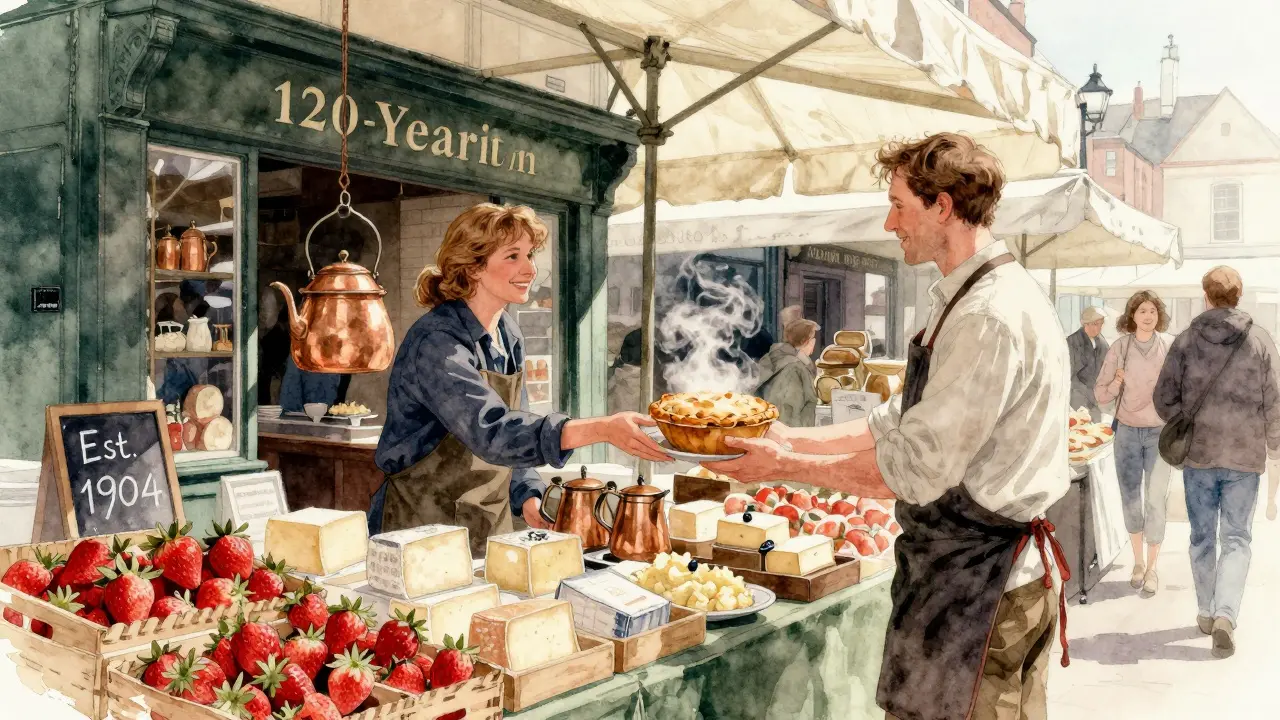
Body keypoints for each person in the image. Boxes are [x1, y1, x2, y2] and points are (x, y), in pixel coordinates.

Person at [706, 133, 1070, 720]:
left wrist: (784, 468)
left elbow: (916, 468)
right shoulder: (965, 297)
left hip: (981, 594)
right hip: (961, 583)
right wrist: (789, 438)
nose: (888, 222)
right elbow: (894, 423)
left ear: (943, 207)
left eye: (900, 205)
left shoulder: (987, 316)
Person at [372, 204, 670, 554]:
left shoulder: (508, 333)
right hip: (420, 528)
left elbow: (520, 421)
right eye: (513, 256)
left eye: (529, 255)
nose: (530, 269)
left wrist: (527, 493)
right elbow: (493, 431)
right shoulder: (437, 342)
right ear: (473, 267)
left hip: (488, 524)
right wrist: (603, 429)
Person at [1153, 265, 1280, 659]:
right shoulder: (1260, 339)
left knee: (1201, 537)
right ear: (1239, 296)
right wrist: (1274, 445)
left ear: (1205, 296)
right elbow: (1275, 400)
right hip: (1245, 455)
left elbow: (1162, 398)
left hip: (1199, 455)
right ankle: (1226, 613)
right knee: (1238, 538)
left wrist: (1187, 419)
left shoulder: (1187, 340)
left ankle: (1207, 610)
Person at [1093, 291, 1173, 596]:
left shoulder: (1168, 346)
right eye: (1142, 311)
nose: (1148, 316)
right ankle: (1137, 563)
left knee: (1155, 500)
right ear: (1132, 315)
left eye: (1152, 310)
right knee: (1130, 500)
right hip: (1126, 433)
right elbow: (1100, 395)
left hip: (1159, 434)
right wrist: (1116, 382)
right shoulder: (1120, 347)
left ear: (1158, 314)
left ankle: (1152, 569)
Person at [756, 319, 820, 427]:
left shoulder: (776, 357)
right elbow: (788, 413)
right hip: (790, 436)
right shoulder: (793, 368)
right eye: (813, 339)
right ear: (806, 341)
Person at [1068, 306, 1109, 420]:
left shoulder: (1102, 342)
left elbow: (1107, 367)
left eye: (1101, 324)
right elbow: (1070, 376)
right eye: (1096, 324)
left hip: (1095, 397)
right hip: (1076, 397)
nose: (1099, 327)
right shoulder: (1072, 342)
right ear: (1086, 324)